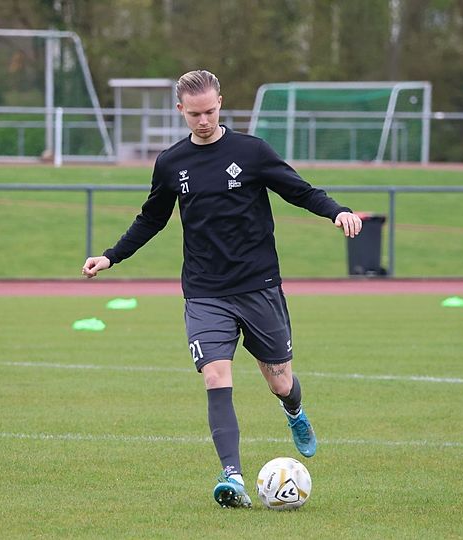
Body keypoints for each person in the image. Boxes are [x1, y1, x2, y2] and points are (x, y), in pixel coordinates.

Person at [82, 69, 362, 508]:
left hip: (258, 285)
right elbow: (151, 218)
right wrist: (111, 256)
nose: (204, 120)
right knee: (215, 374)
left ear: (220, 104)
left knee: (280, 381)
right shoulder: (171, 163)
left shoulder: (251, 152)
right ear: (180, 110)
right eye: (194, 114)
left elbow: (300, 191)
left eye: (210, 111)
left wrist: (336, 211)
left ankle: (294, 410)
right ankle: (232, 476)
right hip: (205, 291)